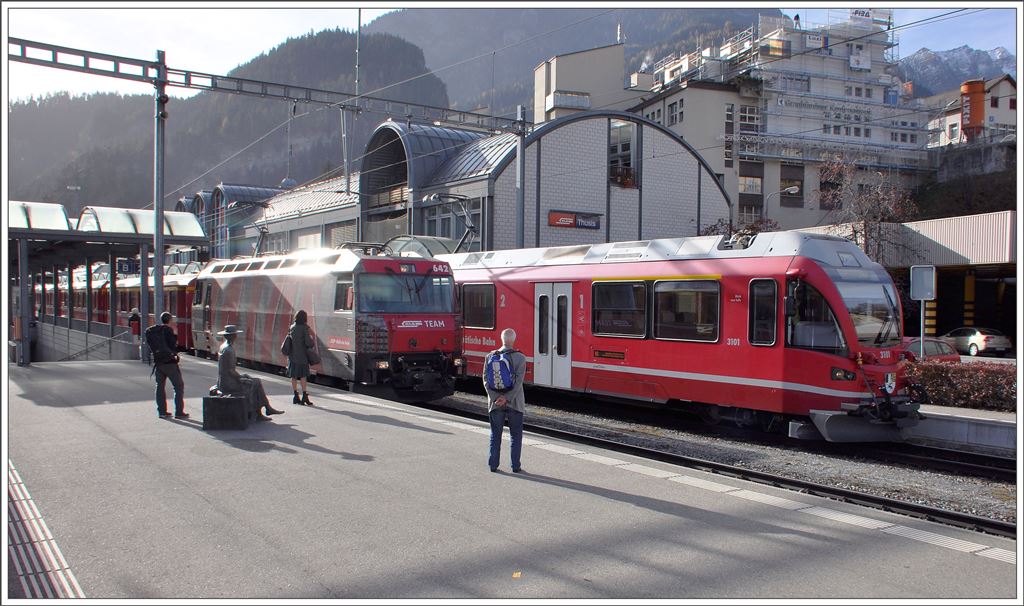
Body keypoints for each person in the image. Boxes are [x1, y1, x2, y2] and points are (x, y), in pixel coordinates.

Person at [483, 328, 528, 473]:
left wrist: (497, 398)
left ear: (501, 339)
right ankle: (515, 466)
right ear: (513, 340)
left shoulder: (489, 356)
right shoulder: (520, 358)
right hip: (515, 403)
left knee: (495, 434)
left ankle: (493, 464)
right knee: (515, 435)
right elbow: (519, 381)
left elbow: (485, 380)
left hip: (495, 404)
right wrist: (507, 398)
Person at [215, 325, 284, 419]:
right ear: (234, 336)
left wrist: (242, 376)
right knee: (255, 383)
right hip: (229, 384)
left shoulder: (223, 346)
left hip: (223, 381)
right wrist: (241, 378)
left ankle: (262, 411)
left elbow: (228, 370)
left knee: (255, 381)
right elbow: (231, 371)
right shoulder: (229, 350)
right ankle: (264, 410)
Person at [148, 311, 187, 419]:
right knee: (178, 386)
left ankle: (162, 412)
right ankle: (179, 412)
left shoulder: (153, 331)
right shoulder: (168, 330)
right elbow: (173, 346)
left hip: (158, 363)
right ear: (170, 320)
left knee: (160, 387)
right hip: (170, 363)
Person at [286, 310, 316, 406]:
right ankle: (304, 396)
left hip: (292, 356)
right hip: (302, 356)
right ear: (304, 318)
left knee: (294, 376)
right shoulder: (304, 328)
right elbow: (309, 343)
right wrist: (311, 339)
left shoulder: (292, 327)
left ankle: (295, 395)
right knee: (303, 376)